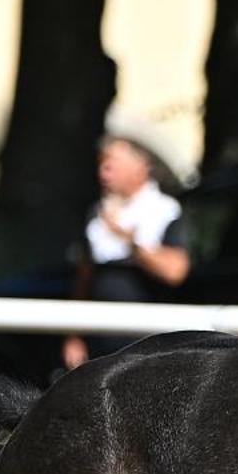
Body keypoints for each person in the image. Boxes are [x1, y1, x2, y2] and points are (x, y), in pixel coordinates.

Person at [62, 135, 190, 370]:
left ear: (140, 167)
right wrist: (74, 335)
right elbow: (85, 276)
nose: (103, 173)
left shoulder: (164, 210)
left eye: (111, 166)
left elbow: (175, 271)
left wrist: (131, 244)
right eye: (101, 165)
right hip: (98, 340)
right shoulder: (96, 214)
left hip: (142, 342)